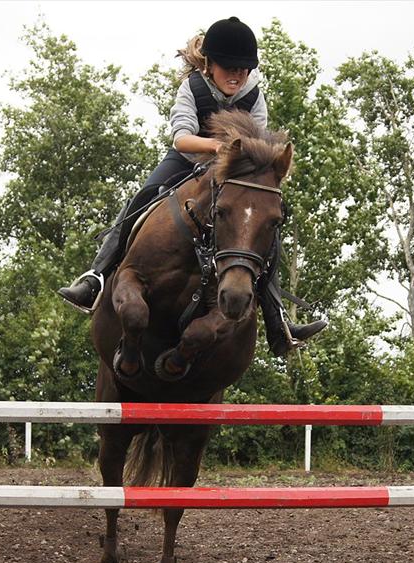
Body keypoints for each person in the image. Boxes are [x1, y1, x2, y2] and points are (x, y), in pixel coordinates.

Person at [57, 16, 327, 357]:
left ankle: (277, 320)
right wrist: (217, 148)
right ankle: (96, 276)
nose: (235, 76)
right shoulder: (193, 88)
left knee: (263, 225)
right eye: (228, 68)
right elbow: (182, 139)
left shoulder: (254, 95)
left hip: (235, 173)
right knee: (142, 197)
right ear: (210, 65)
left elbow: (257, 145)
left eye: (242, 70)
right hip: (187, 161)